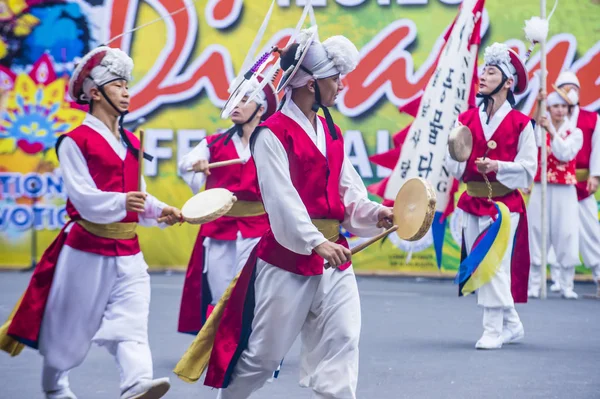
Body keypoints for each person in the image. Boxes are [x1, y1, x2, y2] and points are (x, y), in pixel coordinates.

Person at [199, 26, 394, 398]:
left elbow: (347, 190)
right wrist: (316, 242)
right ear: (310, 84)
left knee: (344, 338)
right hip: (288, 259)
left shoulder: (330, 130)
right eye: (334, 79)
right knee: (263, 357)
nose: (341, 87)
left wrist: (375, 214)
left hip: (334, 255)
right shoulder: (271, 134)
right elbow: (282, 201)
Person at [1, 46, 180, 399]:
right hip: (86, 249)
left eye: (128, 85)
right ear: (95, 92)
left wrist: (161, 211)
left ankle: (136, 383)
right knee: (68, 327)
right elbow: (83, 199)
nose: (127, 91)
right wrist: (121, 201)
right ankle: (54, 385)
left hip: (128, 251)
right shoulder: (74, 141)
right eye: (118, 85)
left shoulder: (130, 142)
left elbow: (139, 196)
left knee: (132, 321)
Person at [446, 42, 537, 349]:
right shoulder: (467, 118)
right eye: (483, 70)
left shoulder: (522, 124)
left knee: (492, 263)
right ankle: (512, 323)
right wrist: (457, 157)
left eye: (491, 71)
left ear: (508, 82)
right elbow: (454, 166)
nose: (482, 76)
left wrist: (498, 165)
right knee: (480, 262)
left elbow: (528, 170)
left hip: (503, 204)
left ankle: (493, 329)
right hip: (472, 200)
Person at [176, 75, 277, 334]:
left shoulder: (271, 143)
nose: (236, 105)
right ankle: (215, 345)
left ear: (261, 108)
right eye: (234, 99)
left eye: (245, 99)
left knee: (256, 290)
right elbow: (187, 163)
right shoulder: (215, 143)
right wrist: (196, 165)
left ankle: (253, 344)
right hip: (220, 228)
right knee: (220, 290)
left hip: (258, 229)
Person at [527, 92, 583, 299]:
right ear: (549, 109)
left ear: (569, 109)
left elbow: (564, 153)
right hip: (542, 186)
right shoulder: (541, 129)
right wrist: (539, 103)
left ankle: (567, 284)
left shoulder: (575, 133)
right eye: (555, 106)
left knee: (566, 234)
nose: (559, 110)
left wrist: (550, 129)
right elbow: (530, 141)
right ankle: (534, 283)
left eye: (563, 106)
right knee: (536, 231)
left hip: (564, 190)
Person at [555, 71, 600, 296]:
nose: (570, 92)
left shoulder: (592, 118)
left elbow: (597, 149)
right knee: (559, 231)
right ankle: (558, 279)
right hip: (559, 186)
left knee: (591, 231)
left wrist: (595, 175)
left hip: (582, 186)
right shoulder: (553, 118)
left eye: (574, 88)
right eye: (565, 87)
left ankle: (599, 274)